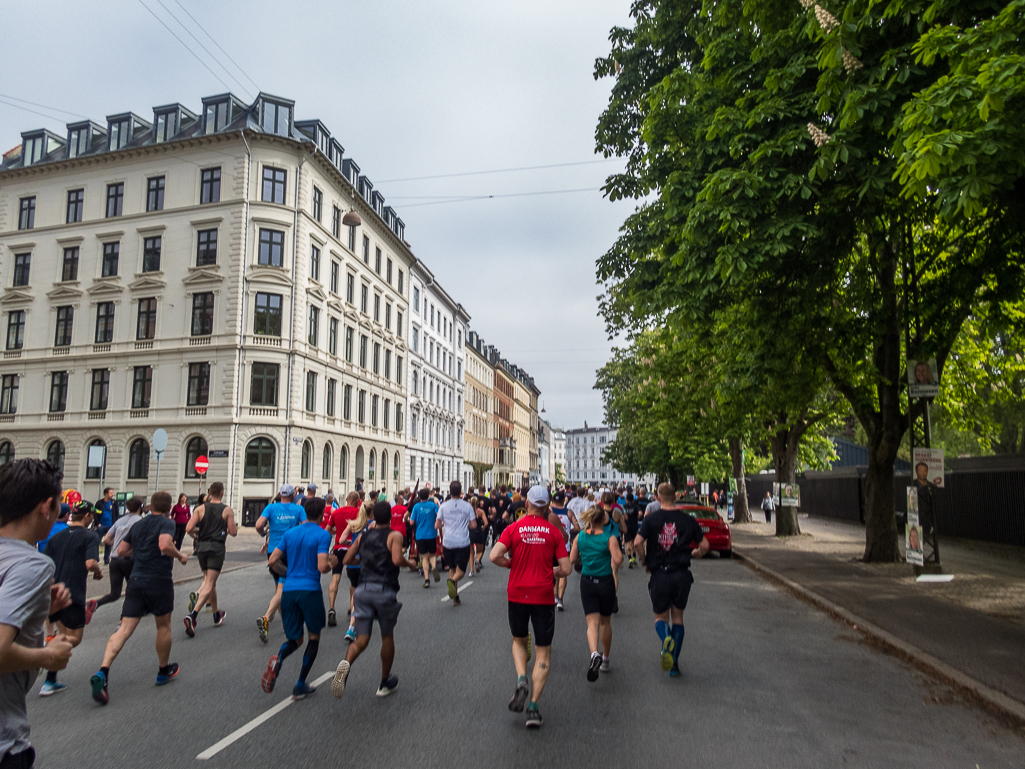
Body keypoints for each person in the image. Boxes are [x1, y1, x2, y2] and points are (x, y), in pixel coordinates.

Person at [0, 459, 74, 768]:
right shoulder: (32, 564)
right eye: (58, 506)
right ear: (46, 507)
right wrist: (48, 656)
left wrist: (40, 610)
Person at [90, 491, 188, 705]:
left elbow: (122, 550)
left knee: (124, 629)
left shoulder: (138, 525)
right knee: (163, 626)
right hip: (159, 580)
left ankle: (103, 671)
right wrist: (180, 556)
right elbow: (164, 545)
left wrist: (140, 552)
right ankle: (163, 671)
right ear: (169, 508)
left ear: (150, 506)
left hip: (136, 579)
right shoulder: (167, 523)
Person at [489, 486, 571, 729]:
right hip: (543, 595)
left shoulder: (514, 528)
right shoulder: (553, 532)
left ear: (527, 503)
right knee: (543, 651)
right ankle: (533, 707)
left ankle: (521, 677)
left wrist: (510, 565)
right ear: (546, 506)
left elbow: (494, 556)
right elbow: (565, 568)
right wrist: (551, 571)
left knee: (518, 639)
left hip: (517, 593)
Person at [331, 501, 417, 700]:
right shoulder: (394, 536)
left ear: (373, 517)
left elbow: (346, 560)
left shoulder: (362, 537)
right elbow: (396, 560)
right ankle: (384, 682)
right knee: (387, 636)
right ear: (390, 518)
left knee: (361, 639)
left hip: (362, 590)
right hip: (384, 589)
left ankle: (345, 665)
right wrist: (410, 563)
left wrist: (364, 560)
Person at [261, 498, 335, 701]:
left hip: (289, 591)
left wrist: (289, 573)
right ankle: (300, 683)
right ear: (321, 515)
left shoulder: (289, 533)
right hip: (310, 590)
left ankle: (279, 658)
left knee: (295, 639)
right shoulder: (323, 534)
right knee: (313, 637)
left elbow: (272, 560)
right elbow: (321, 566)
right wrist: (331, 563)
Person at [634, 482, 709, 677]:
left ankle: (666, 637)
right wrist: (697, 553)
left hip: (659, 572)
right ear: (675, 497)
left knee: (660, 617)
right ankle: (674, 664)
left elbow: (637, 543)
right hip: (681, 573)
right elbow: (705, 545)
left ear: (657, 498)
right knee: (678, 618)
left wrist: (644, 560)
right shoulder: (687, 520)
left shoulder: (651, 520)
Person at [39, 501, 102, 695]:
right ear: (87, 516)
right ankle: (41, 656)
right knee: (74, 638)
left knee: (64, 636)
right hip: (73, 593)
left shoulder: (56, 537)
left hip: (54, 594)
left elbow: (44, 564)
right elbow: (90, 562)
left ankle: (50, 681)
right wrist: (98, 571)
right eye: (92, 515)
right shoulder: (90, 536)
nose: (93, 518)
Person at [570, 505, 622, 681]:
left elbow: (571, 559)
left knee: (591, 623)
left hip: (587, 582)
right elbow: (618, 560)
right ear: (603, 520)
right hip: (606, 581)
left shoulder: (580, 537)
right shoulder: (610, 538)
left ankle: (594, 654)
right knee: (605, 622)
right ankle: (605, 659)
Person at [182, 482, 237, 637]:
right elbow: (233, 532)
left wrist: (198, 535)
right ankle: (192, 615)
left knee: (208, 580)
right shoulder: (227, 510)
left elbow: (188, 528)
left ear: (210, 492)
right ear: (222, 492)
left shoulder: (200, 509)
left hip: (202, 548)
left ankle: (215, 614)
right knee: (210, 582)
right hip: (216, 548)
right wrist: (225, 528)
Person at [254, 485, 306, 643]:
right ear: (292, 495)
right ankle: (266, 618)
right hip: (290, 551)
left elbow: (258, 525)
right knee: (282, 589)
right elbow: (305, 528)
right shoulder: (298, 510)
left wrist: (265, 534)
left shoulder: (271, 507)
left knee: (279, 588)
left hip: (273, 551)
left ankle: (286, 623)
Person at [95, 496, 143, 610]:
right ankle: (125, 617)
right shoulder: (139, 521)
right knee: (133, 589)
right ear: (139, 508)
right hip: (130, 559)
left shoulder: (119, 520)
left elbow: (106, 539)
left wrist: (118, 546)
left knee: (115, 593)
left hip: (115, 560)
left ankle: (96, 603)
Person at [436, 481, 476, 606]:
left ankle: (456, 597)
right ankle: (452, 581)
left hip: (448, 541)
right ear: (460, 492)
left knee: (452, 567)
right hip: (462, 541)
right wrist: (466, 524)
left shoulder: (443, 506)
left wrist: (444, 524)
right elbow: (473, 525)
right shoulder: (467, 506)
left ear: (449, 491)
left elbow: (437, 524)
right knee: (461, 571)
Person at [326, 491, 360, 628]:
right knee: (354, 581)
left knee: (335, 578)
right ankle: (351, 607)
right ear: (357, 501)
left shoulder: (337, 512)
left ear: (346, 499)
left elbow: (328, 529)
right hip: (353, 549)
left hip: (338, 548)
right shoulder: (358, 513)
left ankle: (332, 608)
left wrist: (336, 533)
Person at [550, 491, 576, 611]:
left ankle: (554, 596)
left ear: (553, 501)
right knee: (564, 572)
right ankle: (560, 598)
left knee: (554, 570)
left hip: (551, 546)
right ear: (563, 500)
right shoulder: (568, 512)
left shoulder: (550, 512)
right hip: (565, 546)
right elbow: (577, 527)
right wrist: (569, 532)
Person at [409, 489, 440, 588]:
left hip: (420, 535)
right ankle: (434, 567)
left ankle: (427, 579)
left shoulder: (416, 507)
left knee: (424, 557)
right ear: (428, 496)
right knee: (432, 555)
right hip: (431, 534)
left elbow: (412, 522)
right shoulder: (433, 505)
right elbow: (439, 516)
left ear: (419, 497)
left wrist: (408, 519)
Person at [469, 496, 489, 574]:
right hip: (479, 532)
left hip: (471, 533)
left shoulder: (468, 512)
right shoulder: (480, 511)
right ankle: (477, 560)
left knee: (471, 553)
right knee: (479, 551)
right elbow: (486, 522)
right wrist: (483, 527)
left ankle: (471, 571)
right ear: (478, 503)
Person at [96, 488, 115, 565]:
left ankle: (106, 560)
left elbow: (116, 513)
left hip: (110, 525)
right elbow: (96, 513)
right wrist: (98, 523)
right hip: (101, 525)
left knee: (108, 543)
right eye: (110, 493)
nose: (112, 494)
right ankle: (96, 558)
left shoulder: (114, 503)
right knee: (97, 541)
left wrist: (115, 523)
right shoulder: (99, 503)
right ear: (106, 494)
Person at [622, 492, 640, 568]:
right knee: (633, 542)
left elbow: (622, 515)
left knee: (627, 543)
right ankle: (634, 558)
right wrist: (637, 518)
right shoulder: (636, 506)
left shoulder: (624, 506)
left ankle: (630, 559)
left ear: (626, 499)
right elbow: (640, 513)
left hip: (627, 526)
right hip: (634, 525)